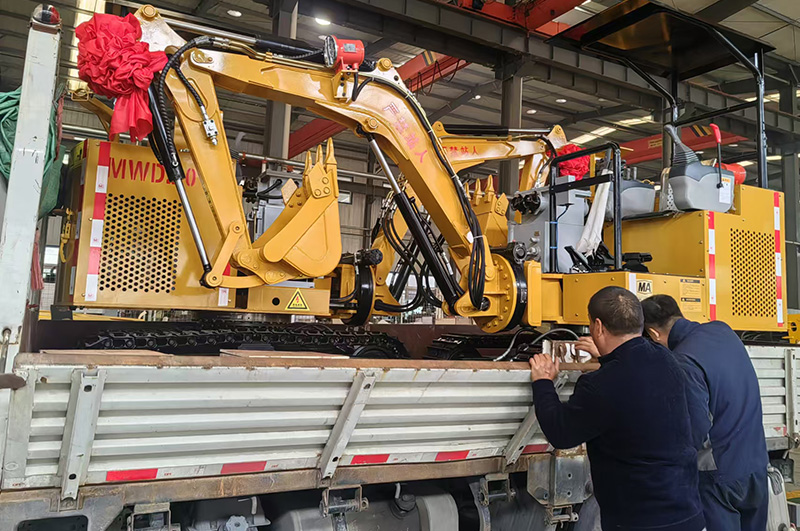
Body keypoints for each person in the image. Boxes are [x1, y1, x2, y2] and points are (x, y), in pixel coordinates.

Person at [530, 286, 704, 531]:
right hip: (688, 515)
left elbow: (560, 432)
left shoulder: (599, 385)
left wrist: (543, 383)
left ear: (598, 327)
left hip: (640, 522)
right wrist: (602, 355)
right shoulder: (668, 360)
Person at [642, 294, 768, 531]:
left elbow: (693, 430)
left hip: (719, 477)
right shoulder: (723, 331)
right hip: (756, 466)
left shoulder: (684, 361)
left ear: (653, 334)